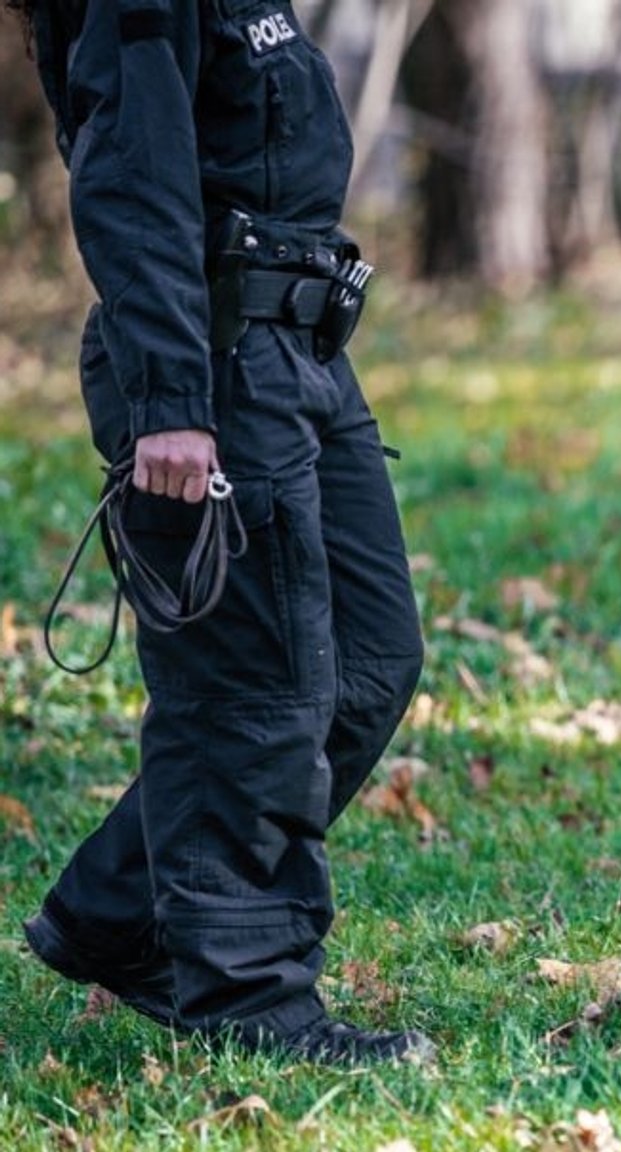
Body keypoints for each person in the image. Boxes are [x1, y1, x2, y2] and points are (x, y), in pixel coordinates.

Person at [10, 0, 432, 1066]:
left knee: (372, 663)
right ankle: (249, 997)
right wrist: (169, 401)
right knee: (255, 689)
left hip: (301, 353)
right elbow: (133, 176)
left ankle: (119, 911)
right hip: (213, 364)